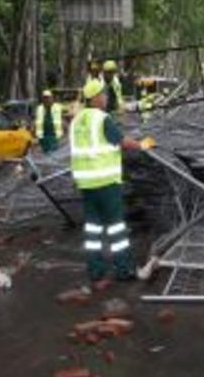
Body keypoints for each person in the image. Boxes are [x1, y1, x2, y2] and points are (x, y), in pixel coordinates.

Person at [70, 80, 142, 285]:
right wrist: (142, 145)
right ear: (94, 98)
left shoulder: (77, 121)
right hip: (106, 182)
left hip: (86, 184)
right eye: (103, 94)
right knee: (115, 227)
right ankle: (124, 269)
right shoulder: (102, 119)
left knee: (93, 228)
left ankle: (95, 270)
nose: (106, 97)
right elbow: (121, 141)